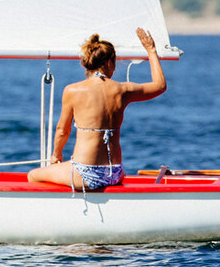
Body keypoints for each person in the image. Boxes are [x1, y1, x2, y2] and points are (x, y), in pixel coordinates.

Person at [24, 27, 166, 190]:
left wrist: (56, 155)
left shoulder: (73, 90)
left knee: (33, 175)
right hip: (115, 173)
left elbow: (62, 130)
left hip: (85, 173)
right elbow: (160, 86)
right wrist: (151, 50)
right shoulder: (122, 90)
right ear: (108, 62)